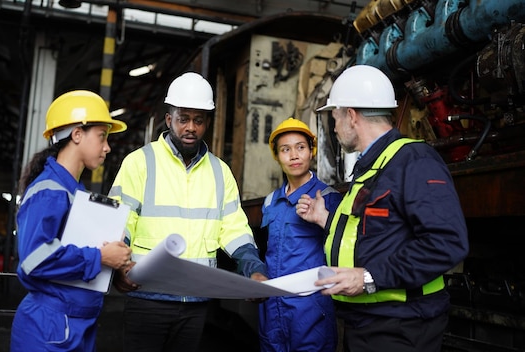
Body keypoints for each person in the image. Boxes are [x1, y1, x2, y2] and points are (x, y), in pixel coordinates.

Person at [296, 65, 469, 352]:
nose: (335, 127)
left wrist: (367, 278)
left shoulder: (414, 160)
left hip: (403, 327)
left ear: (351, 115)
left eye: (335, 117)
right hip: (369, 323)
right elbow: (375, 231)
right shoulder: (374, 165)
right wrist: (327, 219)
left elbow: (446, 242)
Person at [108, 71, 268, 352]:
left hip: (196, 302)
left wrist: (253, 270)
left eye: (198, 120)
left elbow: (234, 229)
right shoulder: (139, 163)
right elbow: (120, 221)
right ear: (169, 120)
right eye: (183, 119)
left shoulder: (220, 172)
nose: (190, 127)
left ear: (208, 122)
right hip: (147, 297)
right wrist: (120, 268)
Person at [10, 90, 133, 352]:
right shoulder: (49, 191)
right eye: (102, 137)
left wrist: (116, 264)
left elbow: (74, 253)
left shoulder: (74, 193)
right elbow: (33, 260)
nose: (107, 147)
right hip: (49, 328)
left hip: (72, 325)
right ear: (77, 134)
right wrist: (100, 258)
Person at [259, 117, 341, 352]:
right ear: (277, 156)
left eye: (301, 147)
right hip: (272, 306)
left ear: (312, 151)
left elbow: (344, 245)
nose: (294, 155)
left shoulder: (328, 197)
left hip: (310, 308)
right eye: (285, 150)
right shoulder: (270, 202)